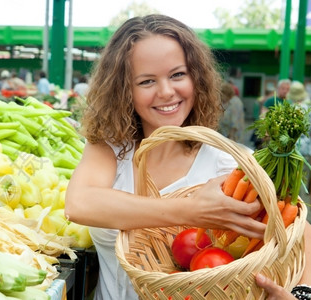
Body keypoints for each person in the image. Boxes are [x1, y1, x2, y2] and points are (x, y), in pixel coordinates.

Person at [63, 14, 311, 300]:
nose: (167, 92)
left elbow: (300, 231)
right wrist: (194, 210)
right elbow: (79, 204)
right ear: (124, 90)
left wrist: (301, 293)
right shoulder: (110, 149)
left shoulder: (229, 162)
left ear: (197, 77)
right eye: (146, 81)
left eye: (178, 75)